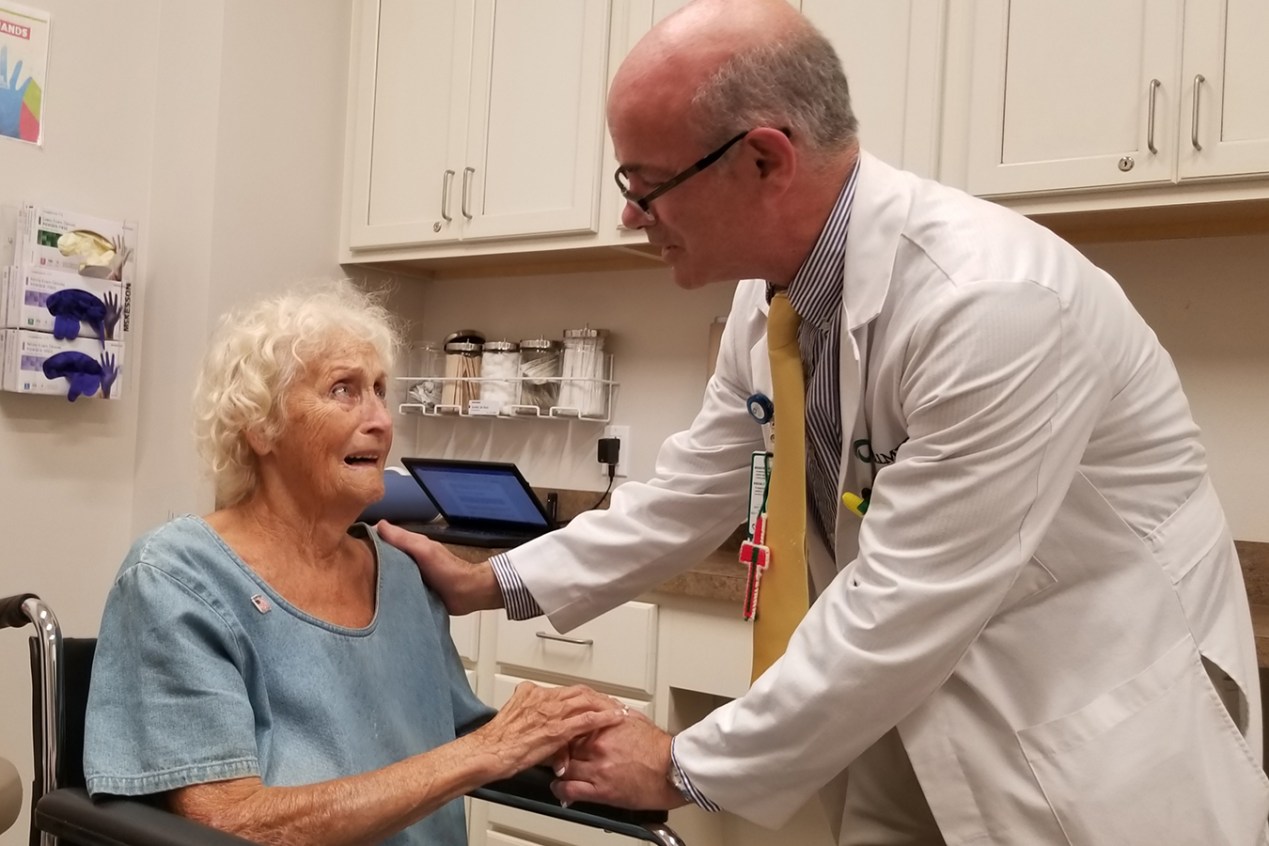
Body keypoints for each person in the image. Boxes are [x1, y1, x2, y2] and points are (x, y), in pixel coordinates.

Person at [381, 1, 1269, 844]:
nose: (628, 215)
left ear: (764, 160)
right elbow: (694, 491)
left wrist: (680, 765)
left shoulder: (993, 303)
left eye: (646, 185)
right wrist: (490, 583)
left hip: (1080, 728)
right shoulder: (771, 300)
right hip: (915, 709)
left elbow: (905, 599)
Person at [83, 281, 625, 846]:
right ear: (260, 424)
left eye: (380, 392)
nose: (381, 421)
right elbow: (229, 823)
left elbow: (457, 737)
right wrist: (488, 750)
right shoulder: (178, 578)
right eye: (343, 390)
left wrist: (565, 736)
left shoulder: (402, 577)